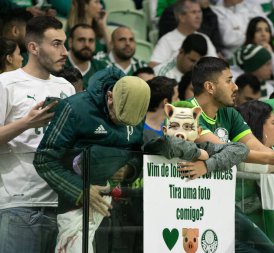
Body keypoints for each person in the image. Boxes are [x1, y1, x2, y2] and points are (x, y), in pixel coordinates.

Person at [33, 68, 150, 252]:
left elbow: (136, 153)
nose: (121, 125)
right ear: (110, 97)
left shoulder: (135, 108)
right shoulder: (75, 108)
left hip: (116, 210)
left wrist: (128, 169)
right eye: (118, 117)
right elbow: (44, 159)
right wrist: (82, 191)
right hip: (74, 203)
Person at [190, 56, 274, 252]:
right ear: (210, 87)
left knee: (264, 249)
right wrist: (272, 158)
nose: (235, 87)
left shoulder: (229, 113)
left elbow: (253, 145)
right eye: (229, 80)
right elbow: (224, 150)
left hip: (222, 200)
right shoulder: (188, 112)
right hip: (193, 200)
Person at [0, 15, 75, 253]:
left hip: (63, 206)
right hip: (19, 205)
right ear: (33, 47)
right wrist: (25, 123)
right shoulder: (6, 83)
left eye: (64, 43)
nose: (65, 51)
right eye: (56, 44)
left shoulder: (67, 87)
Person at [143, 101, 249, 178]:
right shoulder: (157, 144)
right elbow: (171, 143)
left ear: (198, 132)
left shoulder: (204, 147)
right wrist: (198, 153)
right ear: (165, 131)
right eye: (174, 126)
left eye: (188, 127)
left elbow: (241, 149)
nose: (180, 133)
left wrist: (206, 166)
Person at [149, 0, 217, 67]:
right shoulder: (167, 40)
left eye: (199, 12)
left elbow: (217, 65)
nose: (198, 16)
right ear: (181, 17)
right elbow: (153, 65)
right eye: (194, 12)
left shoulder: (204, 38)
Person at [65, 24, 108, 89]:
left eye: (91, 40)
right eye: (81, 40)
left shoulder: (102, 68)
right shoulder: (59, 65)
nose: (87, 45)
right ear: (70, 42)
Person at [244, 16, 274, 81]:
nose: (263, 34)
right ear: (251, 34)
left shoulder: (273, 50)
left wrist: (271, 54)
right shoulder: (244, 54)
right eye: (258, 30)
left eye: (267, 30)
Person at [144, 76, 179, 141]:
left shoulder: (172, 129)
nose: (179, 101)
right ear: (165, 102)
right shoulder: (137, 129)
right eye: (176, 98)